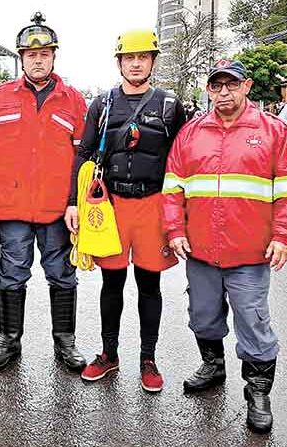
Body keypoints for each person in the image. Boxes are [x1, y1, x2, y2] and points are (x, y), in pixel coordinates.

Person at [163, 59, 287, 434]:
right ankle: (213, 366)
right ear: (208, 90)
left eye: (232, 85)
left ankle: (258, 393)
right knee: (203, 314)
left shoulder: (275, 132)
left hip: (250, 252)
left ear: (246, 87)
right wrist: (174, 229)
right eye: (216, 86)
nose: (224, 92)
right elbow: (173, 187)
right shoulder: (192, 132)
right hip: (200, 249)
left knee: (253, 320)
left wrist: (284, 235)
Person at [65, 30, 186, 390]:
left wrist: (182, 213)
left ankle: (148, 359)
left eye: (143, 57)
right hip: (112, 206)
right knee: (111, 283)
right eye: (129, 57)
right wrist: (73, 202)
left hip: (152, 205)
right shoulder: (101, 104)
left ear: (152, 61)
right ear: (119, 62)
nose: (136, 63)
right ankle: (109, 354)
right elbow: (83, 154)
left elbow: (182, 159)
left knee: (150, 285)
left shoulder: (169, 104)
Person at [0, 12, 88, 373]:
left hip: (58, 210)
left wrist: (76, 203)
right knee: (12, 275)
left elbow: (84, 159)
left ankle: (65, 342)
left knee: (62, 274)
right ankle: (8, 341)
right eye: (30, 54)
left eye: (44, 54)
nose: (37, 59)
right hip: (11, 209)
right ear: (21, 57)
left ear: (54, 56)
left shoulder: (74, 101)